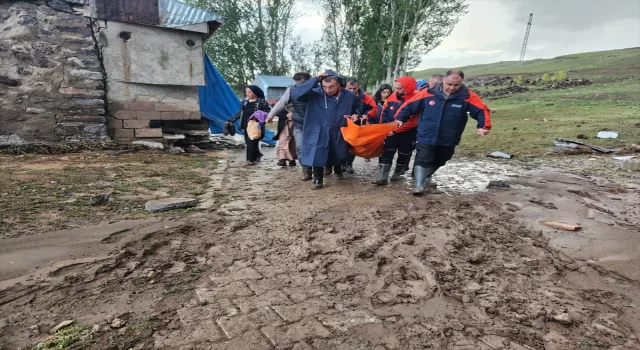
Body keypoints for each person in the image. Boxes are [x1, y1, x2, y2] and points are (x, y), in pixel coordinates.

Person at [395, 70, 491, 195]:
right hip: (427, 132)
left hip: (450, 134)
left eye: (456, 85)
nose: (452, 88)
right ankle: (418, 185)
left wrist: (484, 126)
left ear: (461, 83)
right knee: (423, 157)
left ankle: (424, 179)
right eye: (449, 84)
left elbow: (481, 110)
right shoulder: (428, 93)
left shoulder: (468, 96)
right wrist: (400, 118)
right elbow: (409, 106)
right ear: (443, 80)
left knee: (443, 158)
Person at [290, 70, 363, 189]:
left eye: (331, 87)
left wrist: (356, 114)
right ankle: (318, 179)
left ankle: (337, 168)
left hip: (339, 128)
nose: (328, 90)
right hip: (318, 128)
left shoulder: (348, 95)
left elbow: (359, 106)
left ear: (339, 84)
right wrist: (315, 79)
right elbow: (296, 93)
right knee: (317, 153)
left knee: (339, 154)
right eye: (325, 87)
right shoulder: (314, 93)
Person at [372, 76, 420, 185]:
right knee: (387, 152)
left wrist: (395, 130)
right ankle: (382, 177)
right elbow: (385, 111)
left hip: (408, 133)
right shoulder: (393, 96)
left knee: (404, 153)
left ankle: (398, 172)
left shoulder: (417, 99)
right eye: (395, 88)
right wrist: (383, 127)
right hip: (389, 131)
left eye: (399, 89)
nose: (396, 91)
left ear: (408, 88)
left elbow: (413, 121)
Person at [267, 72, 312, 173]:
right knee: (300, 146)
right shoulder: (292, 90)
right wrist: (270, 115)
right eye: (297, 83)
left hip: (314, 124)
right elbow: (281, 103)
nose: (300, 86)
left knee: (315, 147)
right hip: (299, 124)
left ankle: (322, 168)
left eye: (303, 83)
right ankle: (307, 170)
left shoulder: (317, 90)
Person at [228, 85, 271, 165]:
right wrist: (231, 120)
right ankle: (257, 155)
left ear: (255, 92)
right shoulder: (244, 102)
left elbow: (268, 112)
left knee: (251, 141)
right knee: (250, 142)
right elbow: (240, 113)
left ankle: (250, 160)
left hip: (256, 125)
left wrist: (258, 115)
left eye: (250, 92)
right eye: (246, 92)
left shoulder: (262, 102)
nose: (247, 94)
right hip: (246, 124)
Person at [343, 79, 378, 173]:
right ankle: (341, 164)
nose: (352, 90)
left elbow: (374, 108)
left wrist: (366, 115)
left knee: (353, 145)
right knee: (341, 144)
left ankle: (349, 164)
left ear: (358, 87)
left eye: (354, 88)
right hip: (343, 124)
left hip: (357, 124)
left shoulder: (366, 98)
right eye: (349, 88)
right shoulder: (341, 95)